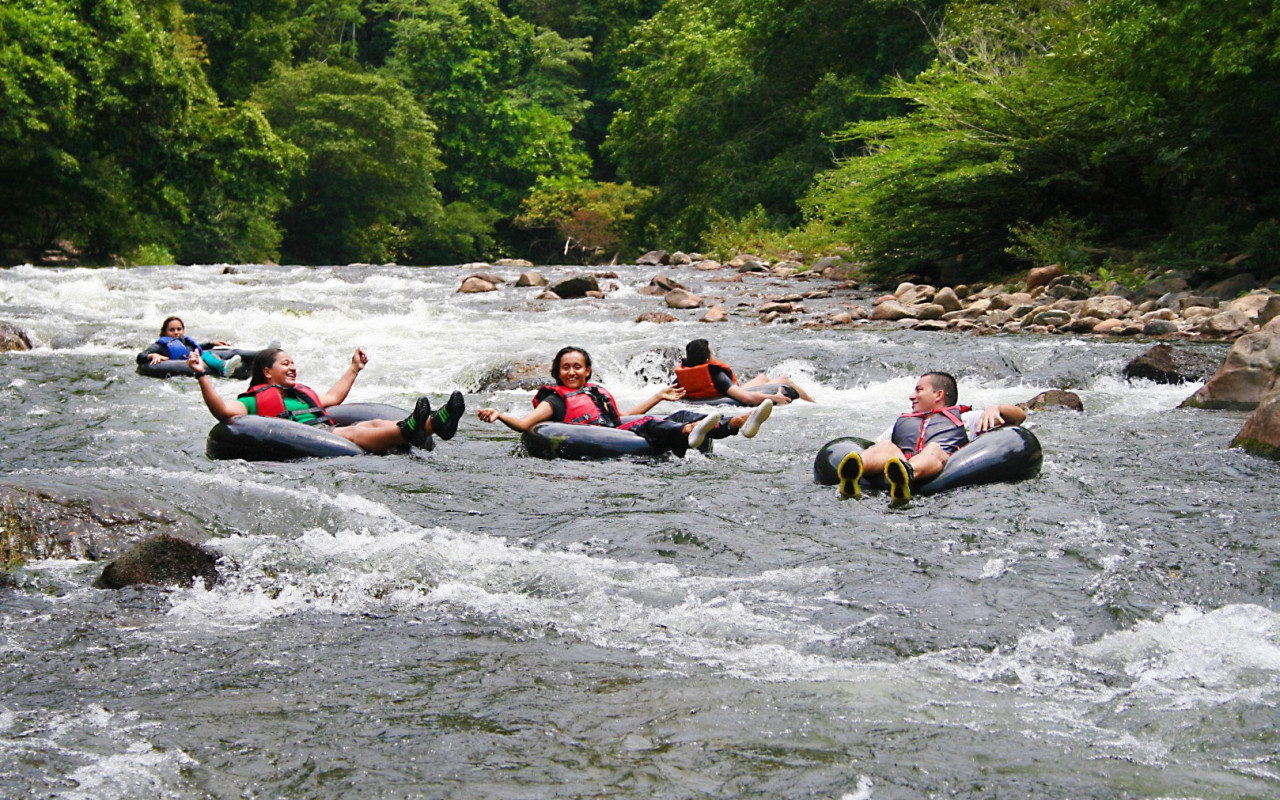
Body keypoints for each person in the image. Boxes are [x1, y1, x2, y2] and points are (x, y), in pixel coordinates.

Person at [476, 345, 773, 456]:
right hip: (589, 436)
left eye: (577, 366)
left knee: (681, 412)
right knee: (655, 424)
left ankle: (737, 422)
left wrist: (657, 396)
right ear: (557, 371)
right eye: (565, 367)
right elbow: (525, 424)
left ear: (587, 370)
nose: (571, 372)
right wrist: (499, 415)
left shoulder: (595, 392)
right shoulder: (554, 400)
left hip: (613, 429)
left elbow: (622, 417)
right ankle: (687, 433)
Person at [188, 345, 465, 454]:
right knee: (357, 431)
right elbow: (223, 412)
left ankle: (435, 424)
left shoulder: (301, 395)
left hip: (325, 431)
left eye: (293, 362)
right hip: (302, 437)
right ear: (266, 372)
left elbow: (333, 398)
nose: (293, 367)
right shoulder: (253, 401)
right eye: (285, 363)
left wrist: (354, 368)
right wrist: (202, 376)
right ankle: (413, 428)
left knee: (373, 422)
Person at [838, 371, 1027, 502]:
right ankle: (855, 470)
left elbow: (1019, 416)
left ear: (939, 395)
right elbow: (873, 444)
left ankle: (906, 474)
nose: (912, 396)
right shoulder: (903, 423)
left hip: (939, 463)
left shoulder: (967, 418)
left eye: (919, 390)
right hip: (899, 462)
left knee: (933, 449)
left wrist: (996, 408)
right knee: (885, 446)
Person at [674, 339, 815, 405]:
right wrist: (775, 398)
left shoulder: (682, 376)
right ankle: (812, 403)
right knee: (784, 380)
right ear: (707, 359)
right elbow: (746, 398)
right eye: (712, 353)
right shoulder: (717, 375)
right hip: (726, 394)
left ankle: (810, 400)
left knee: (762, 377)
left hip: (715, 395)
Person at [138, 316, 242, 377]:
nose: (176, 332)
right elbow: (140, 356)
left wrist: (212, 344)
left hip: (190, 360)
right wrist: (152, 355)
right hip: (179, 365)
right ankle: (223, 366)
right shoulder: (160, 346)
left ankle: (224, 365)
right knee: (206, 355)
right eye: (172, 330)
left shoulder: (184, 341)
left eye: (179, 329)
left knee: (206, 353)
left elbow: (195, 347)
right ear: (165, 332)